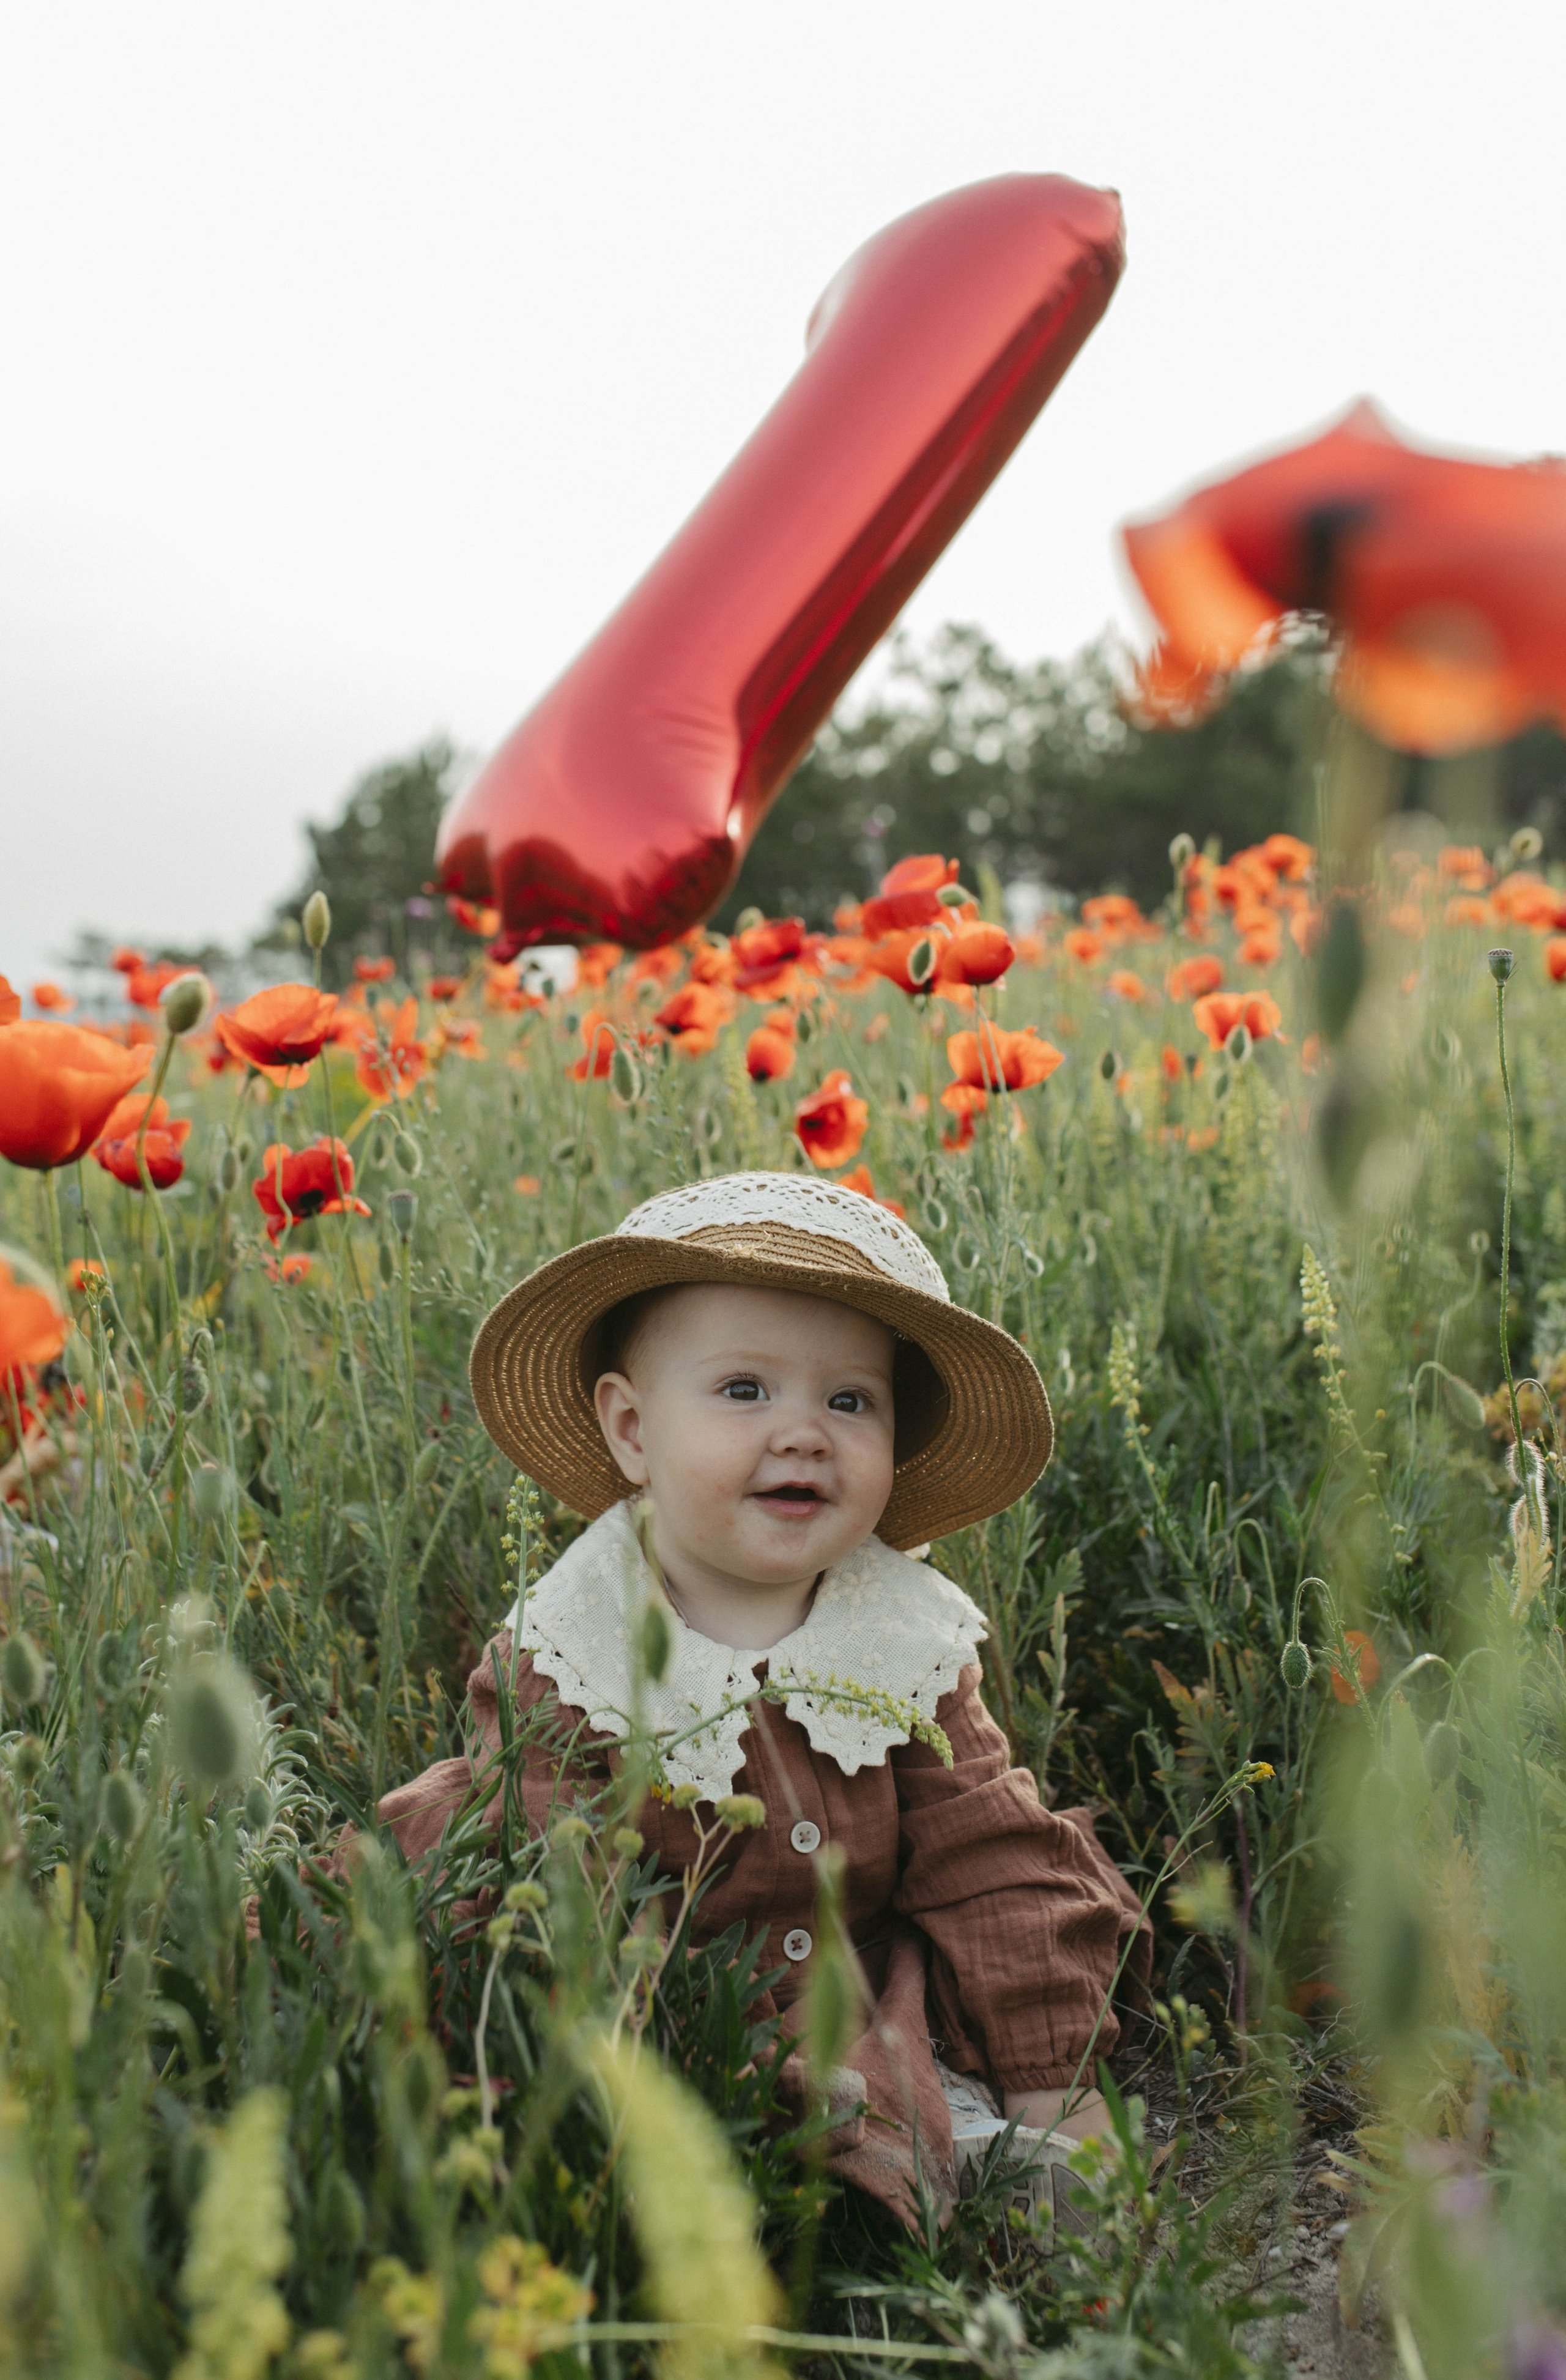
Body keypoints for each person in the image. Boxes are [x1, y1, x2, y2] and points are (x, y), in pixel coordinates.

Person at [380, 1170, 1147, 2223]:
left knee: (961, 2136)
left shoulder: (904, 1634)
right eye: (745, 1390)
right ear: (632, 1430)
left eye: (850, 1401)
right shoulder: (570, 1650)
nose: (803, 1432)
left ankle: (973, 2165)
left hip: (869, 2003)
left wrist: (1058, 2095)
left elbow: (991, 1863)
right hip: (656, 2008)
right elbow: (559, 1880)